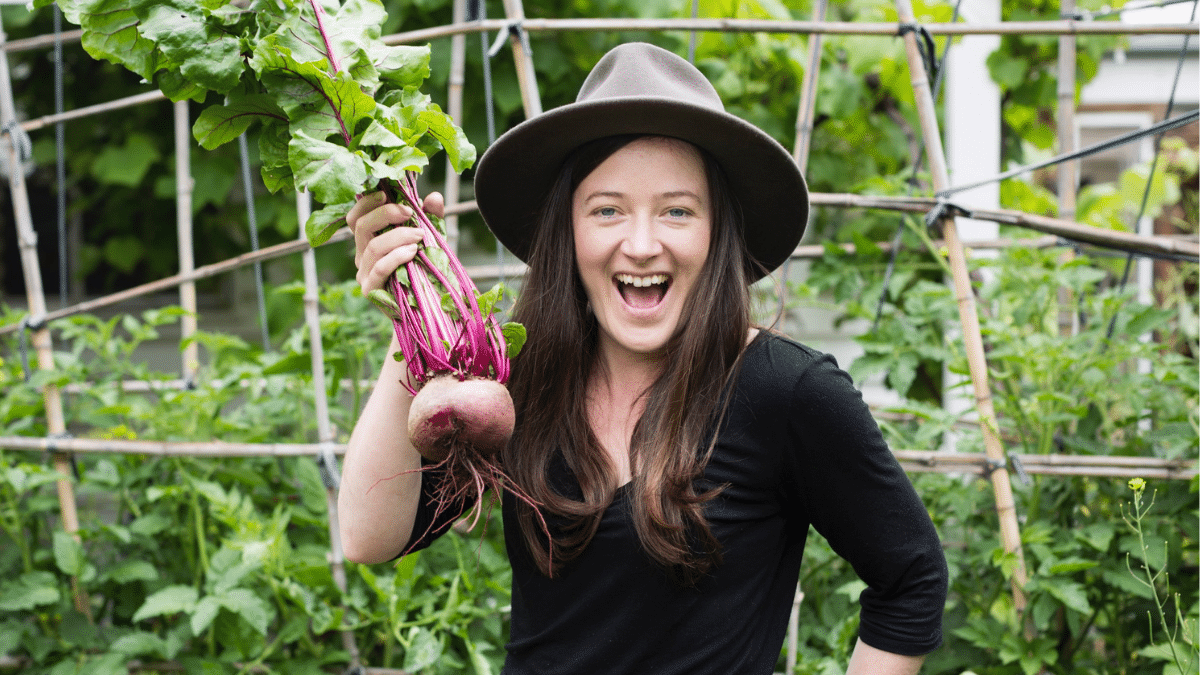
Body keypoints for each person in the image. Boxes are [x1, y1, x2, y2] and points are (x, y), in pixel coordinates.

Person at [338, 42, 948, 675]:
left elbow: (911, 577)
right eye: (607, 210)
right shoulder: (519, 377)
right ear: (567, 232)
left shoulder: (784, 390)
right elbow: (369, 535)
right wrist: (407, 312)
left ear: (717, 234)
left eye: (677, 211)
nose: (641, 244)